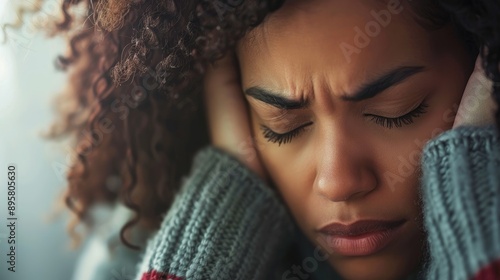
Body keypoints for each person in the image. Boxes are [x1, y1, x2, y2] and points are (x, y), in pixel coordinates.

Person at [13, 0, 500, 279]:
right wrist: (220, 217)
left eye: (396, 112)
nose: (339, 181)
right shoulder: (134, 251)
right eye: (282, 125)